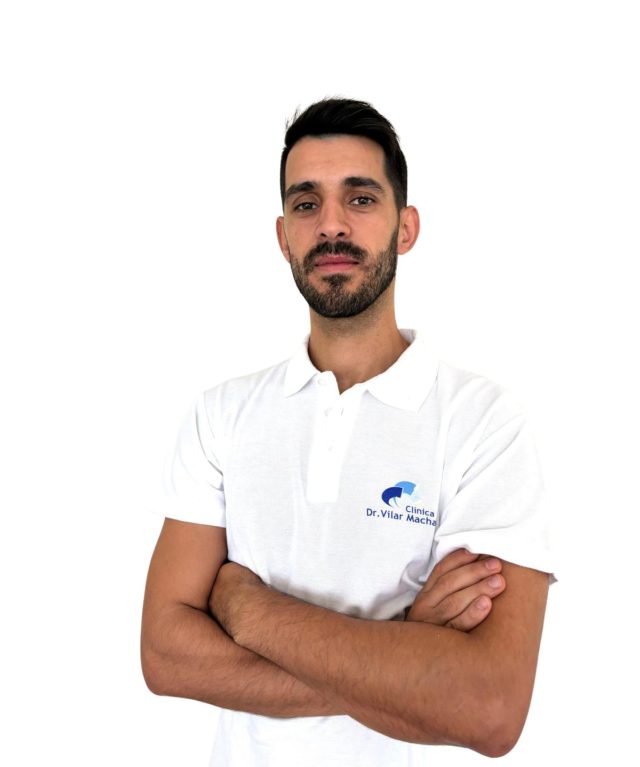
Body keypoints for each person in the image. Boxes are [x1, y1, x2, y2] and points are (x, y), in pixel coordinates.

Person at [141, 98, 554, 766]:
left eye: (360, 199)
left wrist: (247, 610)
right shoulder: (223, 415)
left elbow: (490, 707)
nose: (331, 225)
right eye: (306, 204)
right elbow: (165, 656)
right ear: (283, 237)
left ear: (406, 227)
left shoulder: (483, 422)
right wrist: (405, 644)